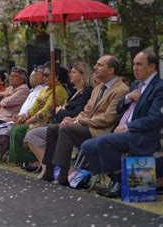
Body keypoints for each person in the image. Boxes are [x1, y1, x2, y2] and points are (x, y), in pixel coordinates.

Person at [81, 51, 163, 198]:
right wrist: (127, 97)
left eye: (139, 64)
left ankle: (120, 184)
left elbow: (156, 118)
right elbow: (119, 108)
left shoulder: (159, 87)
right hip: (124, 131)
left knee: (104, 142)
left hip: (142, 134)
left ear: (152, 67)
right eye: (133, 64)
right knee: (88, 146)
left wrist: (128, 127)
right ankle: (118, 180)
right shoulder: (137, 85)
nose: (135, 68)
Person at [40, 55, 129, 186]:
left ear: (111, 70)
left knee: (66, 130)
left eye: (99, 65)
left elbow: (108, 118)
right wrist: (73, 119)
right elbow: (86, 111)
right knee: (54, 128)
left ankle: (63, 176)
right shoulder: (98, 88)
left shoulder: (121, 90)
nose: (95, 67)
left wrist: (80, 121)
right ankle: (49, 170)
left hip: (102, 130)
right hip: (88, 126)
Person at [25, 61, 93, 175]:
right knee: (30, 135)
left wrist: (61, 110)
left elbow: (74, 113)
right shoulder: (75, 92)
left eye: (73, 72)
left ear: (83, 75)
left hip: (72, 125)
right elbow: (39, 108)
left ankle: (56, 170)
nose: (70, 74)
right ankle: (47, 167)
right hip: (60, 123)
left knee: (35, 134)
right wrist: (25, 116)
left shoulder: (86, 93)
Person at [7, 62, 69, 166]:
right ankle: (25, 160)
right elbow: (34, 108)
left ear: (56, 77)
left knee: (21, 129)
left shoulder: (58, 91)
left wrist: (28, 121)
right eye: (43, 75)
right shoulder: (44, 90)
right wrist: (23, 117)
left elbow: (46, 111)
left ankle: (36, 159)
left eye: (46, 75)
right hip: (37, 119)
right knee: (16, 126)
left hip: (49, 121)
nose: (44, 77)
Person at [0, 66, 30, 163]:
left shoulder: (23, 89)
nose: (11, 78)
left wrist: (3, 97)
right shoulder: (11, 88)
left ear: (22, 79)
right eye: (11, 76)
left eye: (15, 76)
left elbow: (4, 103)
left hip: (10, 119)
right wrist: (2, 95)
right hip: (1, 117)